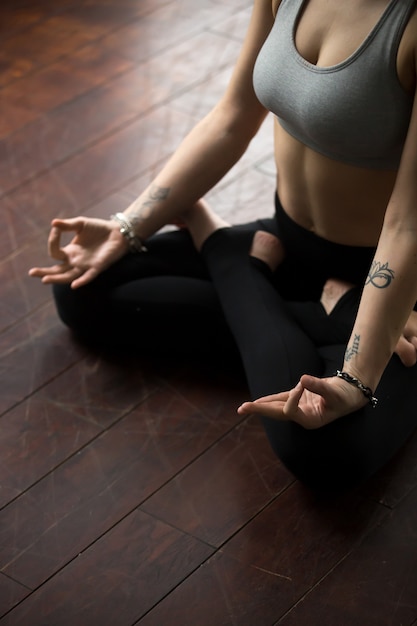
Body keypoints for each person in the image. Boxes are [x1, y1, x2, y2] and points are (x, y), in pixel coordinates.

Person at [29, 0, 417, 491]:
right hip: (288, 242)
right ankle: (313, 315)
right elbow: (233, 116)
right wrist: (128, 227)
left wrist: (356, 377)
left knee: (325, 451)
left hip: (391, 282)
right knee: (85, 286)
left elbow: (408, 225)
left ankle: (237, 260)